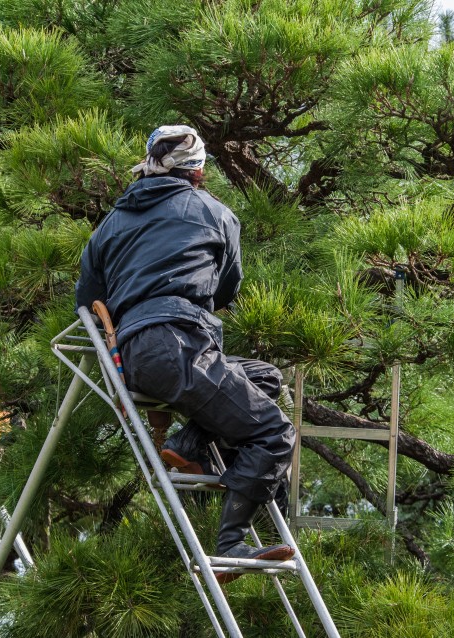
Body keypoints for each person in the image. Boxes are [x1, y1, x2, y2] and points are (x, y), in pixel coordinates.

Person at [75, 125, 296, 582]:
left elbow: (87, 298)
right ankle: (232, 542)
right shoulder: (214, 212)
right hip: (181, 346)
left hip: (135, 356)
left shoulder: (110, 224)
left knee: (267, 378)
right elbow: (225, 290)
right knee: (274, 434)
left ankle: (187, 444)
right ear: (197, 171)